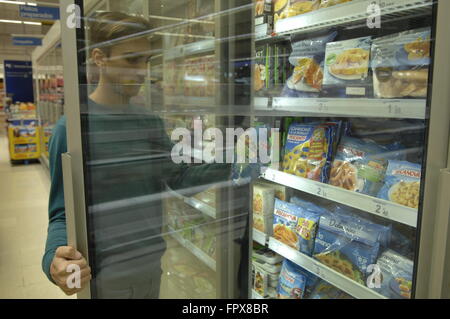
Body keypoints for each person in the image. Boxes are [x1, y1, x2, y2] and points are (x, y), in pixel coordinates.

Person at [42, 12, 231, 298]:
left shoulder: (148, 123)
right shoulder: (72, 129)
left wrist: (236, 158)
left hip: (152, 269)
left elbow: (180, 179)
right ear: (99, 58)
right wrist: (53, 261)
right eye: (132, 59)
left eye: (146, 60)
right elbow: (61, 213)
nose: (142, 71)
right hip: (105, 281)